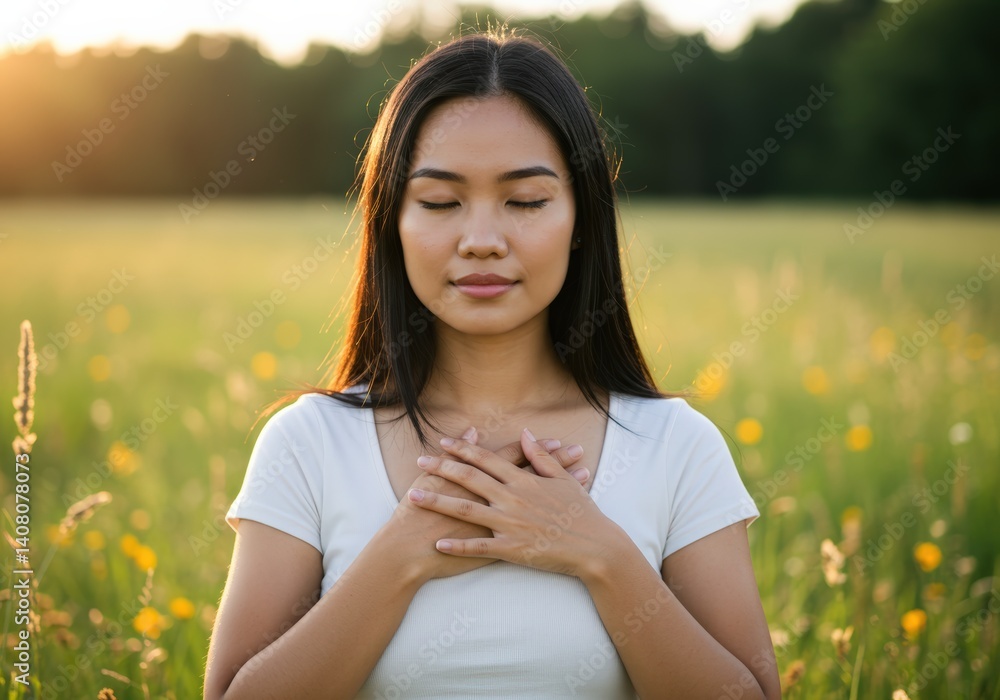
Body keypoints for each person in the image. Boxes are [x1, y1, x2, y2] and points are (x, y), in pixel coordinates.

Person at [204, 26, 780, 700]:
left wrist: (599, 551)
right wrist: (399, 556)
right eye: (441, 203)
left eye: (527, 202)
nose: (480, 240)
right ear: (391, 220)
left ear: (581, 221)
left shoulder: (675, 448)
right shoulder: (308, 444)